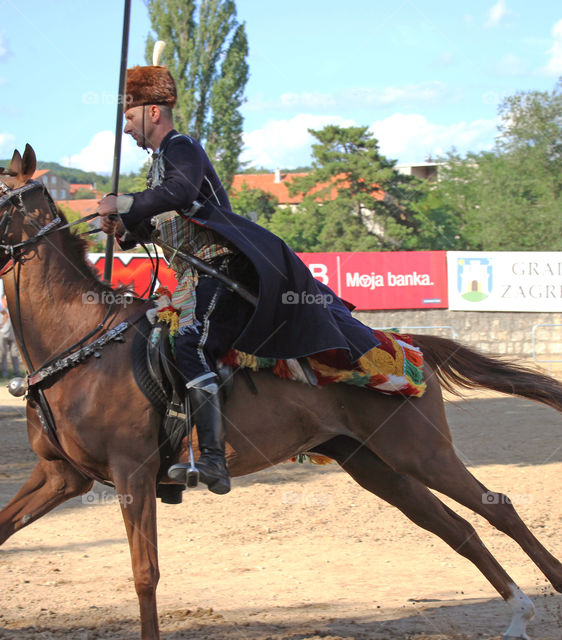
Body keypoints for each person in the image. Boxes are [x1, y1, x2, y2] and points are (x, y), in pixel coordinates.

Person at [96, 59, 379, 495]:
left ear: (154, 111)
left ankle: (212, 459)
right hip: (191, 281)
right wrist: (123, 227)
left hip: (222, 270)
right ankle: (167, 453)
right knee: (153, 344)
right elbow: (150, 223)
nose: (127, 128)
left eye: (129, 117)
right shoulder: (156, 166)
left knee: (191, 343)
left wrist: (127, 202)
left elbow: (181, 194)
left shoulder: (181, 147)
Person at [0, 294, 20, 378]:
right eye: (5, 299)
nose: (7, 301)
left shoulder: (13, 310)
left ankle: (16, 372)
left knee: (14, 354)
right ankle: (5, 373)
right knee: (3, 354)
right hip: (2, 334)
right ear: (2, 300)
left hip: (13, 334)